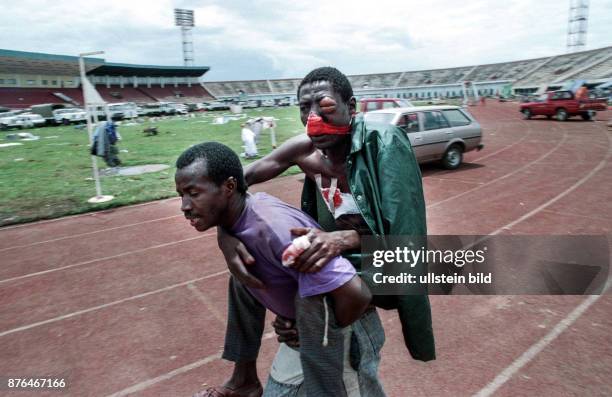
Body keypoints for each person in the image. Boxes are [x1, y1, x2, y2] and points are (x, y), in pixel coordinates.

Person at [213, 67, 435, 396]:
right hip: (332, 258)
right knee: (247, 267)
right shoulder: (304, 150)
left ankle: (304, 326)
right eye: (305, 108)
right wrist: (226, 235)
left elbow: (406, 241)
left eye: (325, 105)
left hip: (379, 261)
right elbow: (234, 185)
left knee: (314, 303)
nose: (314, 117)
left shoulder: (384, 145)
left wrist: (342, 239)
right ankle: (244, 376)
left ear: (352, 106)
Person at [175, 142, 384, 397]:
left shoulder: (277, 232)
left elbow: (357, 295)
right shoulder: (240, 218)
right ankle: (244, 381)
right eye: (181, 195)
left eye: (193, 194)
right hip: (310, 317)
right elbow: (243, 181)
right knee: (241, 277)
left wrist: (309, 330)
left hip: (344, 326)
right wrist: (223, 234)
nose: (184, 206)